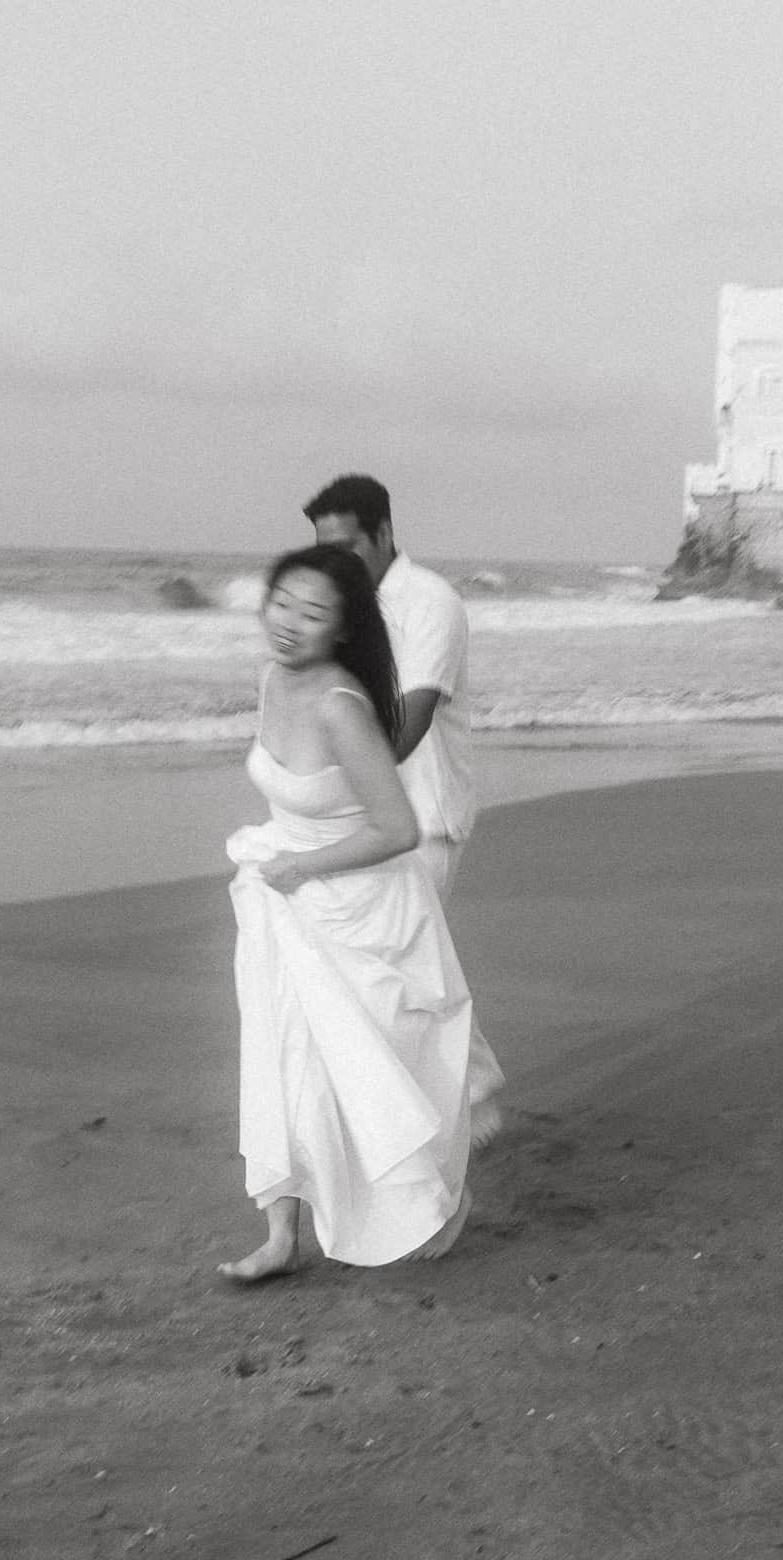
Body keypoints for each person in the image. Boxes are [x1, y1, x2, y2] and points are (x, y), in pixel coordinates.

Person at [219, 545, 486, 1281]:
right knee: (281, 1063)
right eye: (282, 603)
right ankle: (281, 1236)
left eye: (312, 614)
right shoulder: (272, 677)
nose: (289, 623)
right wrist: (286, 865)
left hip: (357, 905)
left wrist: (304, 865)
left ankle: (425, 1201)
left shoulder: (342, 707)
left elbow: (397, 828)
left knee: (370, 1072)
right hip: (284, 896)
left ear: (341, 630)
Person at [305, 473, 503, 1145]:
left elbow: (407, 724)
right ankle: (471, 1091)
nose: (336, 563)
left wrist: (328, 783)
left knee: (401, 967)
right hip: (368, 819)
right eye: (324, 550)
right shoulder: (344, 606)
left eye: (349, 546)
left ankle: (451, 1108)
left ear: (385, 533)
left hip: (425, 815)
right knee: (403, 964)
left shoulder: (428, 603)